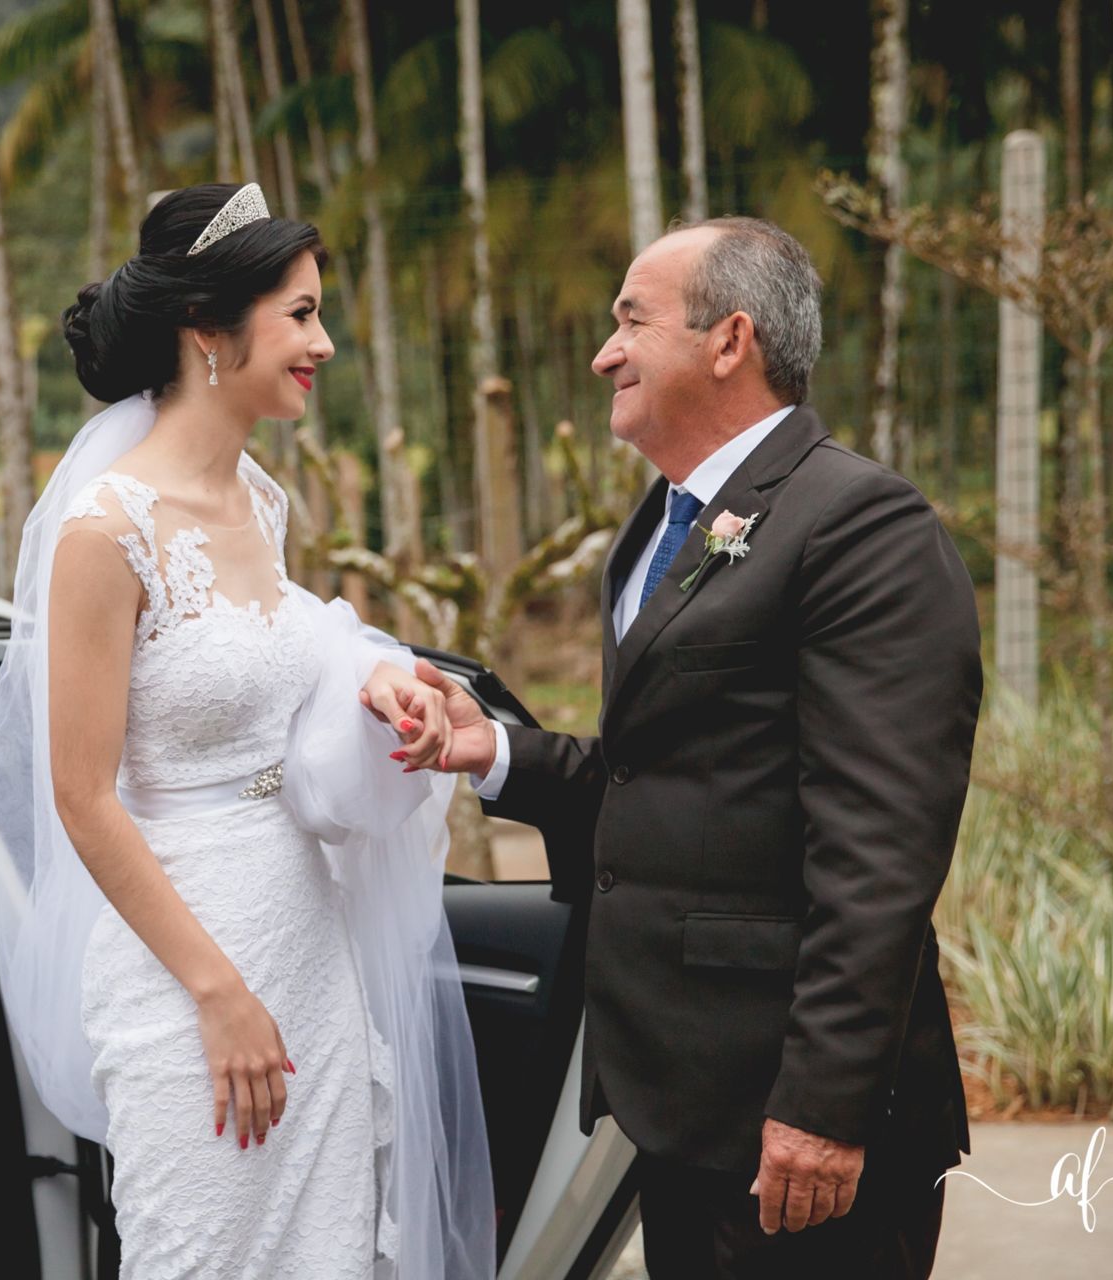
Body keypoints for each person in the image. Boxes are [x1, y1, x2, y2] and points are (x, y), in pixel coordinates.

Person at [406, 217, 982, 1278]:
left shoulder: (862, 526)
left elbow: (881, 852)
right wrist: (492, 749)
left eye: (632, 319)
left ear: (731, 341)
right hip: (678, 1107)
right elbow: (668, 775)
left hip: (791, 1121)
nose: (604, 351)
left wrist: (819, 1107)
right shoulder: (659, 527)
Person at [0, 183, 494, 1280]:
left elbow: (280, 656)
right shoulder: (102, 532)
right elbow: (82, 795)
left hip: (307, 937)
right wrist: (217, 992)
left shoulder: (262, 500)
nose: (326, 341)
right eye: (301, 314)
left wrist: (380, 685)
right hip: (184, 974)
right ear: (210, 330)